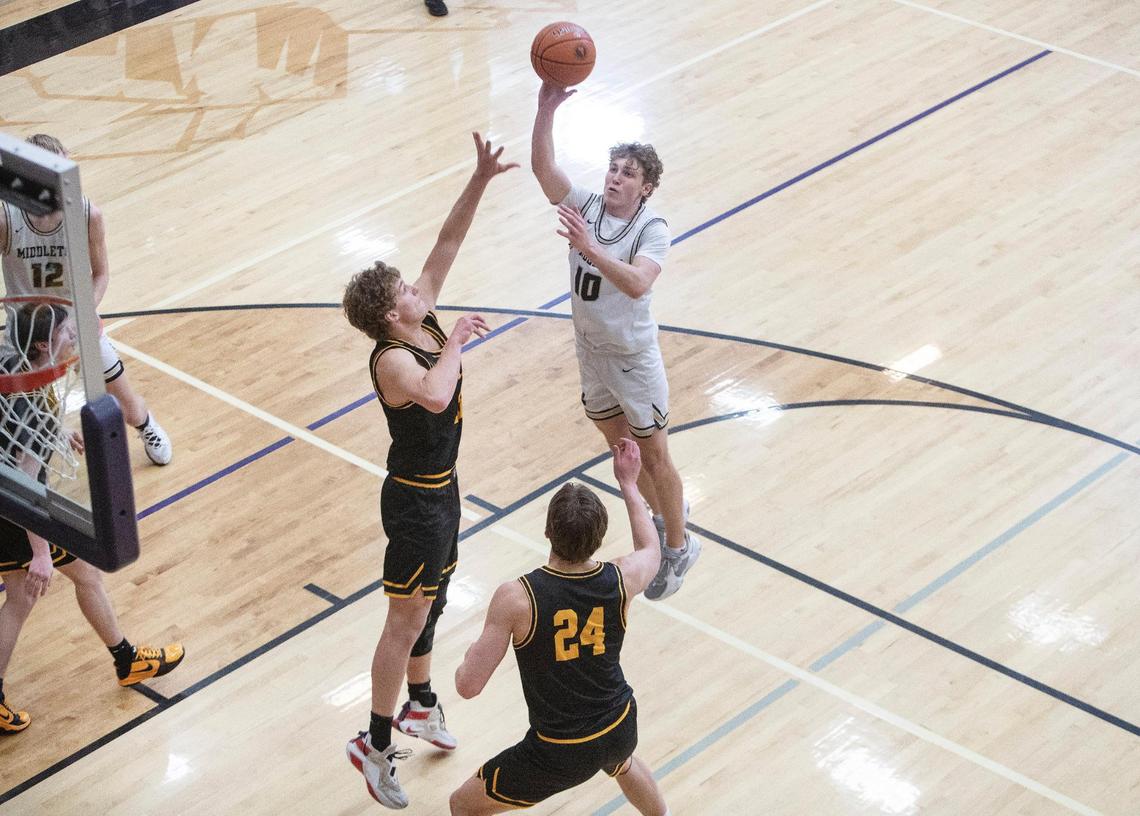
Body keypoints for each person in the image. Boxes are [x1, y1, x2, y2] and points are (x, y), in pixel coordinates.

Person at [341, 132, 517, 809]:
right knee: (403, 622)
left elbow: (446, 244)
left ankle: (420, 703)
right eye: (408, 289)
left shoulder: (418, 321)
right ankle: (376, 743)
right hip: (413, 500)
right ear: (392, 313)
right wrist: (464, 341)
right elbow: (437, 393)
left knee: (434, 602)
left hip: (443, 492)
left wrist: (478, 179)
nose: (421, 287)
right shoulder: (393, 357)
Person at [530, 82, 700, 601]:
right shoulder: (588, 205)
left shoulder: (653, 228)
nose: (616, 177)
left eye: (628, 173)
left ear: (645, 187)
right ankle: (667, 514)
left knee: (655, 458)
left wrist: (588, 248)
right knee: (620, 448)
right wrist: (545, 108)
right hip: (591, 352)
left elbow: (638, 282)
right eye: (613, 168)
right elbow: (544, 170)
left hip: (632, 359)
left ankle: (678, 544)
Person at [448, 438, 670, 815]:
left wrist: (470, 654)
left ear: (548, 531)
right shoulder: (621, 578)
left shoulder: (518, 597)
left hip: (559, 749)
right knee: (621, 759)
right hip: (619, 722)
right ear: (599, 537)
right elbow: (652, 549)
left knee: (463, 805)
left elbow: (467, 686)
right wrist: (629, 484)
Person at [0, 302, 183, 735]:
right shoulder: (31, 402)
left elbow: (15, 427)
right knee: (24, 598)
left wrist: (55, 432)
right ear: (44, 344)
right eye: (67, 332)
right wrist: (40, 552)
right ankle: (126, 660)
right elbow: (28, 479)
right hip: (14, 509)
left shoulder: (13, 367)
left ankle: (126, 659)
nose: (74, 337)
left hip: (6, 496)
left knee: (83, 578)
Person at [0, 133, 173, 467]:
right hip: (25, 337)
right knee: (27, 433)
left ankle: (146, 424)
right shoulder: (7, 218)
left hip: (74, 326)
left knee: (127, 408)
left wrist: (79, 315)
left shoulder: (88, 214)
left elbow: (101, 274)